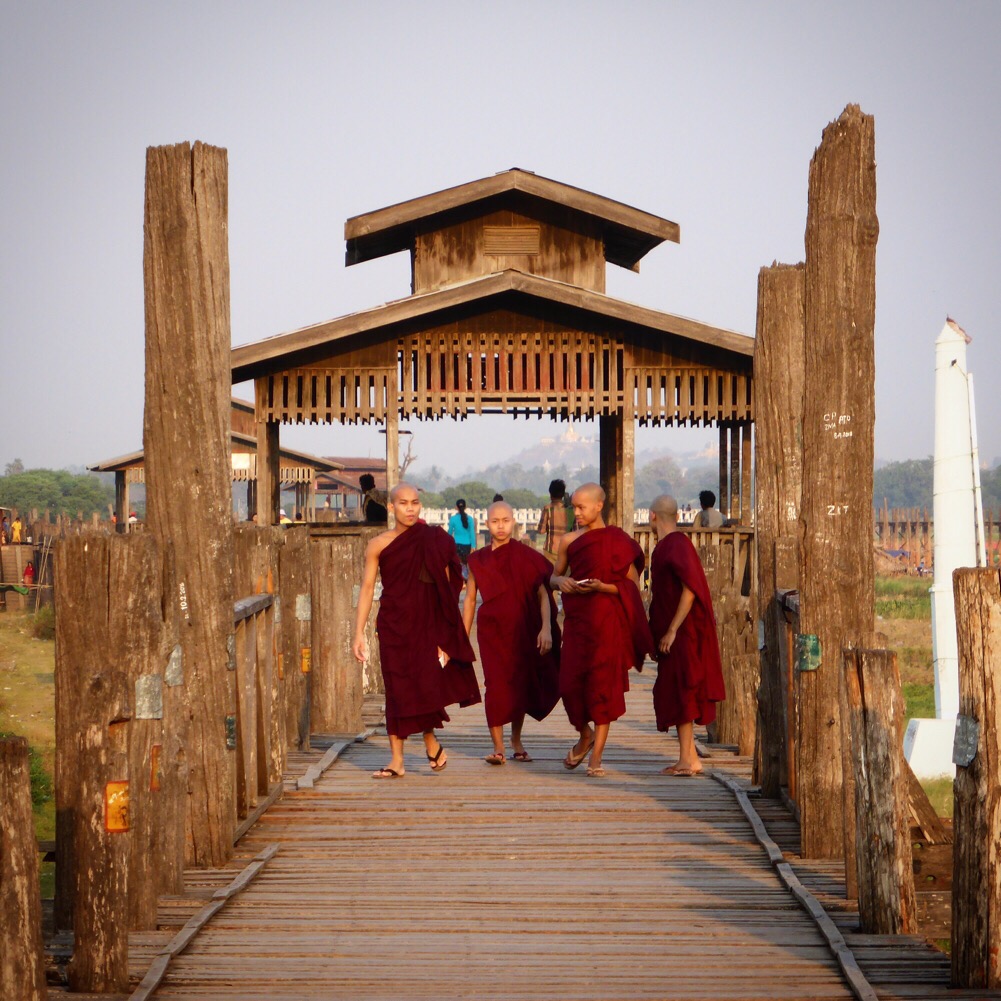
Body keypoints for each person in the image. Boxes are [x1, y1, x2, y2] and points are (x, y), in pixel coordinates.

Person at [352, 483, 480, 778]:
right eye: (404, 503)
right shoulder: (379, 544)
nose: (410, 508)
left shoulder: (433, 538)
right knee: (396, 689)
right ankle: (397, 760)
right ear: (391, 507)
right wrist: (357, 632)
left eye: (415, 502)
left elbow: (451, 582)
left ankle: (430, 739)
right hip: (393, 624)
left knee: (422, 686)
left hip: (425, 624)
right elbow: (368, 588)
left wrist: (445, 630)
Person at [550, 483, 653, 777]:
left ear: (599, 505)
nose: (577, 512)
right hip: (578, 622)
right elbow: (553, 577)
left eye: (582, 507)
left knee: (601, 689)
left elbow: (633, 587)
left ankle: (596, 757)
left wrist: (602, 587)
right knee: (569, 686)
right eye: (574, 507)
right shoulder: (569, 540)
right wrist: (561, 583)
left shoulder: (618, 541)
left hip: (607, 622)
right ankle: (585, 734)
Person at [463, 501, 560, 764]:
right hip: (492, 631)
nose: (501, 526)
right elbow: (470, 599)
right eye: (495, 521)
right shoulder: (478, 560)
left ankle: (516, 739)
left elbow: (543, 595)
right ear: (486, 524)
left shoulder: (526, 556)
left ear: (513, 521)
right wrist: (462, 636)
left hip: (523, 629)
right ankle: (498, 747)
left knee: (519, 684)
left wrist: (546, 628)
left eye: (505, 520)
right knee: (494, 684)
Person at [647, 494, 726, 776]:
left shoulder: (677, 545)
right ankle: (691, 758)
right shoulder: (666, 546)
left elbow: (690, 589)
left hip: (682, 631)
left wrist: (671, 629)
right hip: (675, 631)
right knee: (676, 688)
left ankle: (685, 759)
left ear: (652, 516)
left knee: (684, 690)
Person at [537, 479, 575, 560]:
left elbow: (541, 531)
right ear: (563, 493)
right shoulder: (570, 510)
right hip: (567, 550)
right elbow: (575, 531)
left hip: (550, 551)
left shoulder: (548, 509)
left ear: (550, 493)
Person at [447, 499, 477, 567]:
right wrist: (473, 546)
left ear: (456, 507)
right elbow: (472, 533)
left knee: (457, 566)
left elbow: (449, 533)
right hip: (467, 546)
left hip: (456, 545)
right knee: (466, 565)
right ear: (465, 507)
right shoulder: (470, 519)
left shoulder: (453, 518)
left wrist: (448, 545)